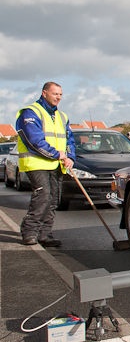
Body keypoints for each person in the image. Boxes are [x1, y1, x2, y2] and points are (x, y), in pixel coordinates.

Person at [15, 81, 76, 247]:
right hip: (37, 163)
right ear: (44, 93)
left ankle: (45, 234)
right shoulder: (30, 113)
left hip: (57, 165)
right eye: (55, 93)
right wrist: (57, 154)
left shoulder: (62, 116)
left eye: (60, 94)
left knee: (54, 199)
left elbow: (69, 139)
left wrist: (70, 156)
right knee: (43, 196)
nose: (58, 97)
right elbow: (33, 141)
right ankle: (29, 232)